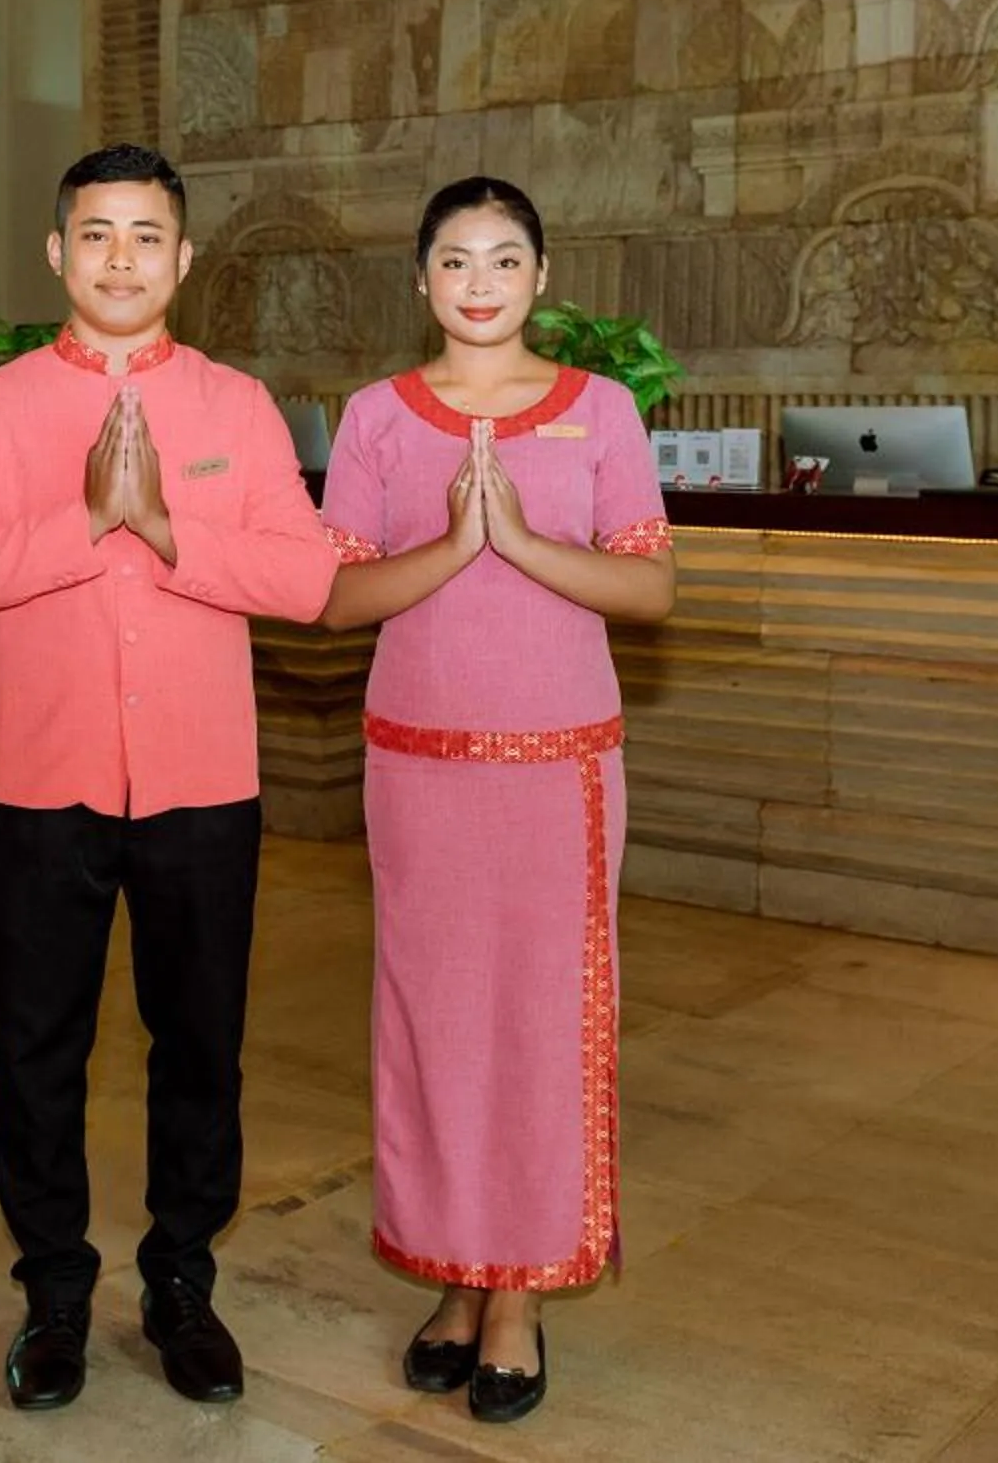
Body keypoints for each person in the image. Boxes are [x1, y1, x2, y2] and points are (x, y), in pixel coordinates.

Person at [0, 142, 337, 1413]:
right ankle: (53, 1295)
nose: (122, 259)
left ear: (183, 259)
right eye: (97, 234)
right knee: (37, 1052)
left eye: (148, 236)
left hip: (204, 784)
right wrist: (86, 517)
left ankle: (183, 1283)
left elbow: (305, 578)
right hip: (41, 786)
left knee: (200, 1048)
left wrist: (161, 524)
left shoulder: (236, 406)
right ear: (57, 252)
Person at [316, 177, 676, 1425]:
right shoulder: (376, 415)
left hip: (558, 769)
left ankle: (516, 1291)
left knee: (539, 1025)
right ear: (421, 279)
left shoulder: (601, 410)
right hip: (419, 766)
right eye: (457, 259)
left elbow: (652, 590)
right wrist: (453, 548)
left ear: (542, 276)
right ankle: (454, 1271)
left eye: (506, 257)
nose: (481, 282)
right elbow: (335, 598)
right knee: (433, 1024)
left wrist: (519, 543)